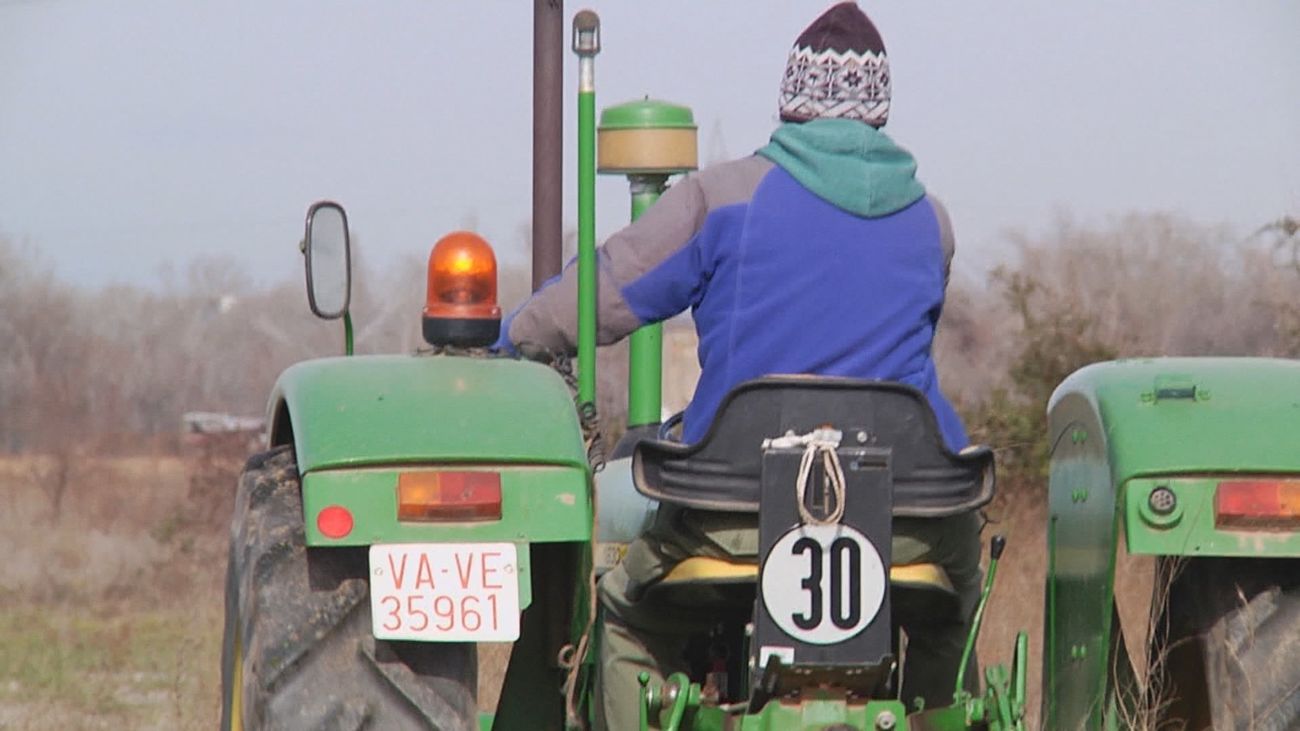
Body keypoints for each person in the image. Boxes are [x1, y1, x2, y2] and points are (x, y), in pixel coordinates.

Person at [496, 3, 981, 726]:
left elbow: (604, 292)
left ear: (790, 102)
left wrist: (517, 342)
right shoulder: (931, 221)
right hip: (905, 514)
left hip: (734, 509)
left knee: (627, 616)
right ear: (879, 111)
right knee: (953, 603)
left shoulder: (720, 198)